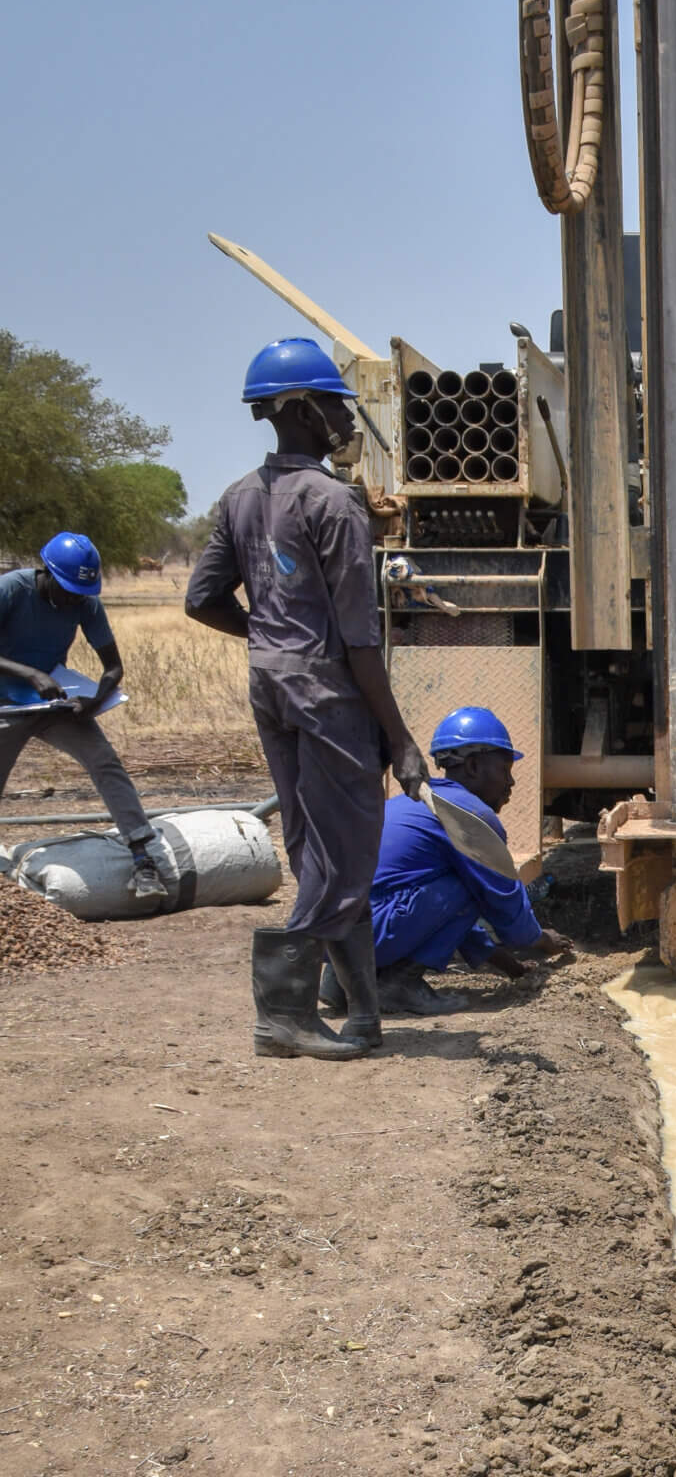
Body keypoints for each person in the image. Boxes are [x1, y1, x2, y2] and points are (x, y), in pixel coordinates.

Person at [186, 338, 428, 1061]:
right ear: (297, 409)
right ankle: (283, 1015)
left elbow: (202, 600)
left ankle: (363, 1015)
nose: (345, 417)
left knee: (318, 851)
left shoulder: (239, 497)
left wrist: (269, 637)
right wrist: (401, 740)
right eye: (333, 403)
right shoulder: (333, 502)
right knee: (346, 857)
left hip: (271, 684)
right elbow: (359, 639)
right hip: (327, 693)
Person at [322, 705, 571, 1019]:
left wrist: (511, 967)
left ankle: (342, 980)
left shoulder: (413, 801)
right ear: (473, 766)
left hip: (339, 937)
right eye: (505, 770)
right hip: (376, 930)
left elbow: (446, 918)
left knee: (459, 885)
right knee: (469, 885)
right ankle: (399, 983)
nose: (511, 783)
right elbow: (507, 910)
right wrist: (542, 939)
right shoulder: (469, 816)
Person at [0, 535, 165, 902]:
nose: (74, 599)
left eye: (81, 593)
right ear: (47, 573)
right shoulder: (11, 589)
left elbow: (113, 667)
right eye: (68, 591)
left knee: (104, 760)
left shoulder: (86, 601)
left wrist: (93, 702)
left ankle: (143, 858)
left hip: (51, 703)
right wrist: (31, 674)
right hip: (6, 703)